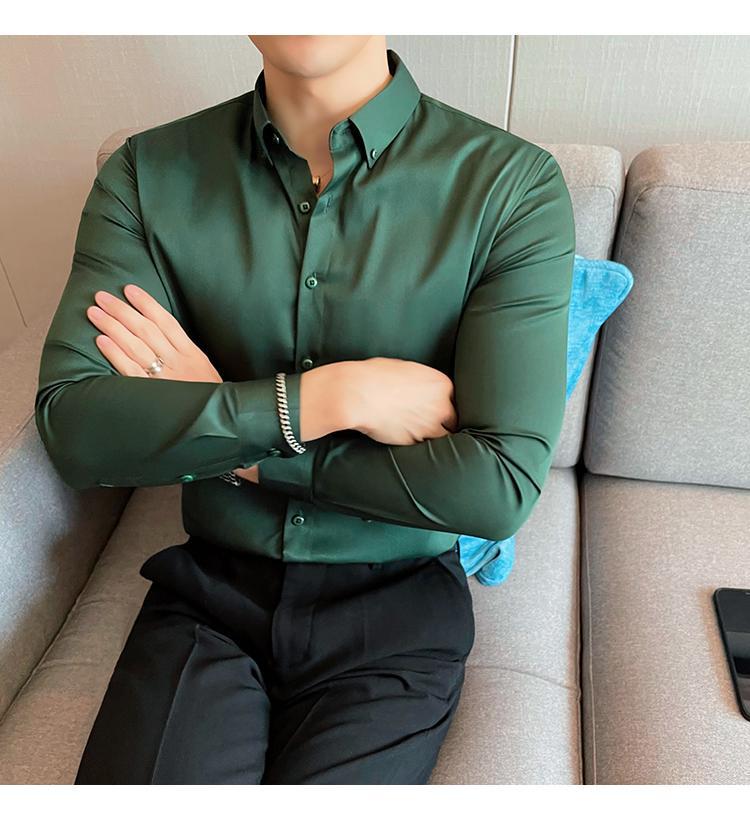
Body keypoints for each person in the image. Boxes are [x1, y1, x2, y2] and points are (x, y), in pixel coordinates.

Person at [35, 35, 575, 784]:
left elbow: (497, 487)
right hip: (210, 592)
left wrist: (244, 448)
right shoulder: (145, 173)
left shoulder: (511, 185)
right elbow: (76, 428)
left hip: (399, 604)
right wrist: (327, 398)